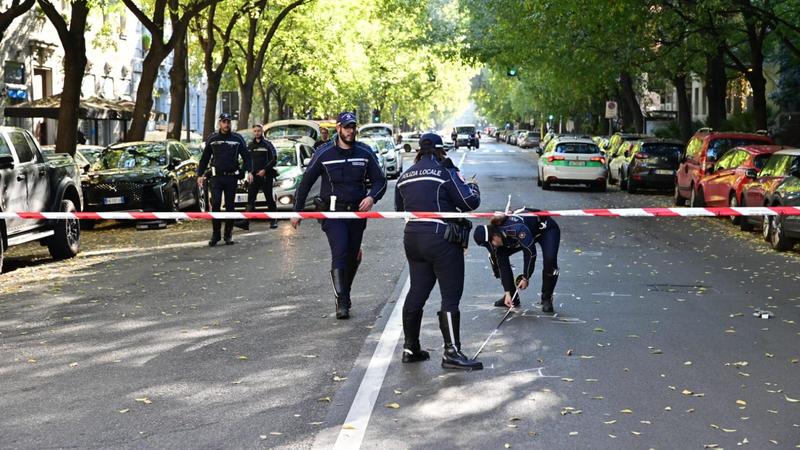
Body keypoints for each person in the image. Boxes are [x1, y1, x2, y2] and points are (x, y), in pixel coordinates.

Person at [395, 132, 483, 370]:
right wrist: (473, 186)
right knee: (450, 296)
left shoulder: (404, 176)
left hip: (412, 238)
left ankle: (410, 347)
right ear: (441, 150)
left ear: (420, 151)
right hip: (441, 238)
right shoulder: (446, 171)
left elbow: (398, 207)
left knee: (417, 292)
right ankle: (452, 353)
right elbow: (469, 203)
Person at [291, 112, 387, 320]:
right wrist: (297, 211)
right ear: (338, 129)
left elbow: (381, 181)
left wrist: (371, 198)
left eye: (353, 127)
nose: (350, 131)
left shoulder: (364, 152)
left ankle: (344, 291)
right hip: (332, 212)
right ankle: (341, 300)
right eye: (346, 127)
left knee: (352, 255)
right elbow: (305, 182)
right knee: (341, 250)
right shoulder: (324, 153)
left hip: (357, 213)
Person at [473, 210, 561, 312]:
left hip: (545, 230)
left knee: (550, 260)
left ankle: (547, 298)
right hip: (527, 235)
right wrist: (507, 292)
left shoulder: (515, 229)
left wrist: (526, 277)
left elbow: (530, 252)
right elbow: (503, 265)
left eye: (492, 244)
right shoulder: (496, 241)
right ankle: (512, 296)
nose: (494, 246)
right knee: (496, 258)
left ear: (495, 234)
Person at [197, 113, 252, 246]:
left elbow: (247, 157)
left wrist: (246, 172)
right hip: (216, 177)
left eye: (228, 122)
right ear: (219, 123)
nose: (226, 124)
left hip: (231, 178)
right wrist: (200, 174)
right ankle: (216, 235)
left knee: (230, 206)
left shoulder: (237, 138)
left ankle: (228, 234)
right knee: (215, 204)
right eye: (224, 122)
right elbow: (205, 158)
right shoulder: (213, 138)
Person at [235, 123, 278, 231]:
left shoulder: (268, 144)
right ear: (253, 132)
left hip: (266, 176)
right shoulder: (250, 145)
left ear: (262, 131)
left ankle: (273, 220)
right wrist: (243, 173)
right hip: (254, 177)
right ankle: (245, 222)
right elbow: (246, 161)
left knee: (269, 198)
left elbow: (274, 159)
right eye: (255, 131)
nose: (257, 132)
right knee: (250, 199)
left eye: (259, 130)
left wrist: (265, 170)